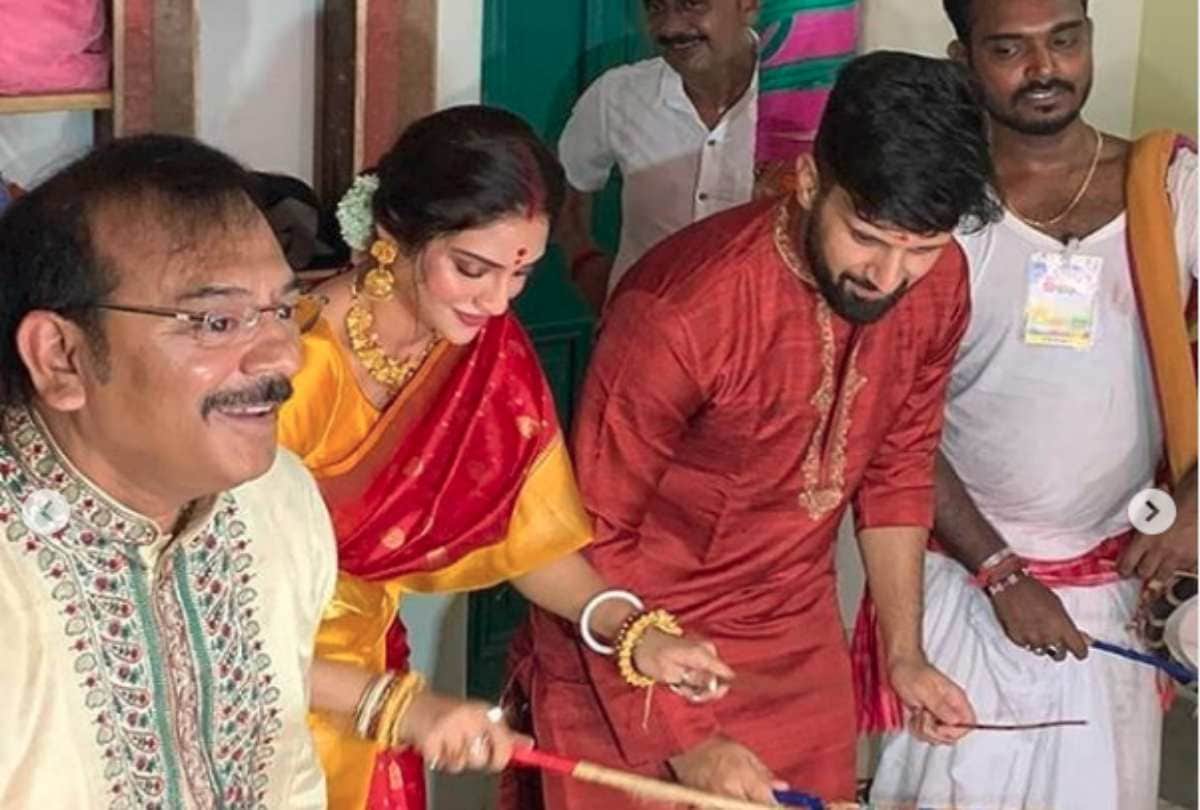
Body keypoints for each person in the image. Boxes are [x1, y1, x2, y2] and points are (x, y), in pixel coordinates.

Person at [513, 51, 1002, 809]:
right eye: (868, 236)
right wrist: (688, 739)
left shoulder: (937, 285)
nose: (888, 277)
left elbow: (900, 466)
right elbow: (592, 535)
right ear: (810, 182)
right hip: (633, 645)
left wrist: (905, 654)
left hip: (794, 644)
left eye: (923, 247)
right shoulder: (680, 311)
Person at [277, 105, 733, 810]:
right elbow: (210, 622)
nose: (496, 302)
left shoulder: (487, 360)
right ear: (396, 234)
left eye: (519, 274)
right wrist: (399, 709)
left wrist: (632, 632)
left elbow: (525, 539)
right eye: (472, 269)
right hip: (262, 698)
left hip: (377, 695)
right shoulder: (288, 368)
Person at [869, 2, 1197, 809]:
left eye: (1065, 40)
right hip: (957, 591)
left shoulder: (1172, 188)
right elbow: (890, 418)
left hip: (1120, 587)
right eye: (1009, 48)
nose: (1044, 69)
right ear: (963, 56)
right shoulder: (932, 211)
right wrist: (998, 570)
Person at [0, 135, 335, 806]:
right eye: (216, 321)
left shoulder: (279, 503)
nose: (284, 358)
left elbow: (289, 772)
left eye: (281, 310)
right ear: (61, 357)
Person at [558, 0, 860, 312]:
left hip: (757, 337)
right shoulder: (616, 96)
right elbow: (568, 186)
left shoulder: (807, 106)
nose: (670, 28)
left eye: (692, 5)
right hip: (642, 331)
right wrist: (584, 263)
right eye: (655, 9)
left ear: (748, 5)